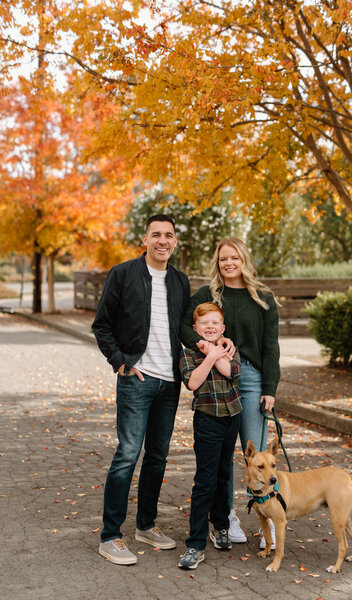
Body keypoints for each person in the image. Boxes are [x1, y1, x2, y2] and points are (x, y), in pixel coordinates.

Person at [92, 214, 190, 565]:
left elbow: (186, 328)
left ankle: (146, 526)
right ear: (145, 239)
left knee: (158, 456)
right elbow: (102, 325)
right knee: (128, 454)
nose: (163, 241)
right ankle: (110, 536)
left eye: (169, 235)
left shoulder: (179, 280)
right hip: (137, 378)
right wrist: (120, 362)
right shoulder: (123, 274)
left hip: (170, 381)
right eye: (156, 235)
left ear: (174, 241)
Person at [180, 237, 280, 548]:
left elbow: (270, 346)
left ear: (244, 260)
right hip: (216, 379)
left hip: (250, 378)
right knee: (222, 458)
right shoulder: (207, 294)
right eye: (223, 258)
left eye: (234, 257)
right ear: (217, 262)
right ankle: (227, 519)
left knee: (258, 457)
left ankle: (267, 522)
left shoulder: (263, 297)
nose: (229, 263)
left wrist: (270, 388)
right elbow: (183, 326)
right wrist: (208, 347)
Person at [178, 302, 242, 569]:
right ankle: (195, 543)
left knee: (224, 475)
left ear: (223, 328)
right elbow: (193, 382)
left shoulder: (230, 349)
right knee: (205, 481)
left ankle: (221, 526)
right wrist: (210, 356)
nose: (210, 327)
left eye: (215, 323)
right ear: (196, 328)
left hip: (232, 418)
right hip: (207, 421)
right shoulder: (188, 354)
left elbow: (231, 372)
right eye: (205, 323)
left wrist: (216, 353)